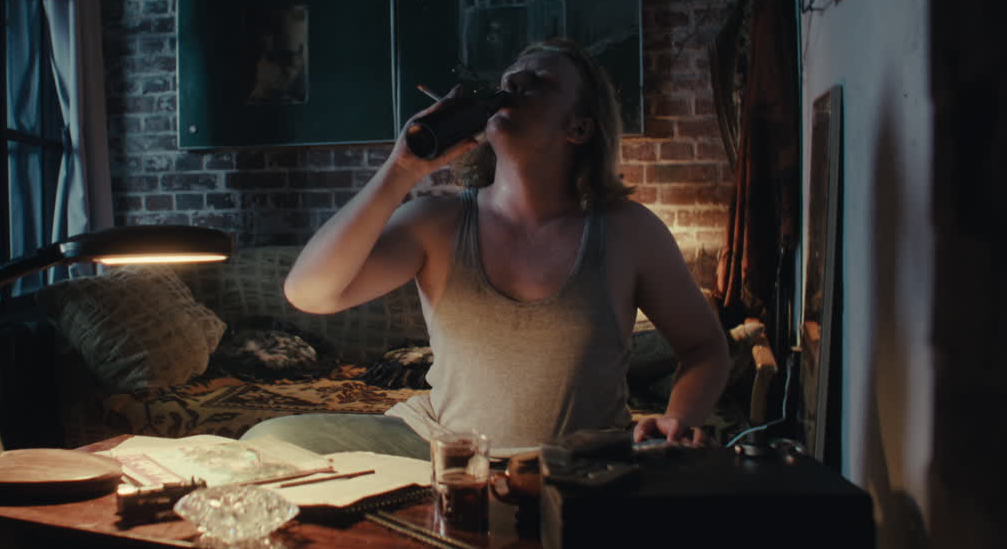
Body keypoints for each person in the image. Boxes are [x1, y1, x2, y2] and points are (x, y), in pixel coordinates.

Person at [242, 37, 729, 460]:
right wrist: (402, 170)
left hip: (582, 463)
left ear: (578, 128)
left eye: (537, 81)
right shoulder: (437, 221)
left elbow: (705, 348)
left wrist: (676, 420)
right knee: (268, 437)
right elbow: (310, 293)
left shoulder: (628, 230)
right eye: (510, 77)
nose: (513, 83)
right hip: (440, 449)